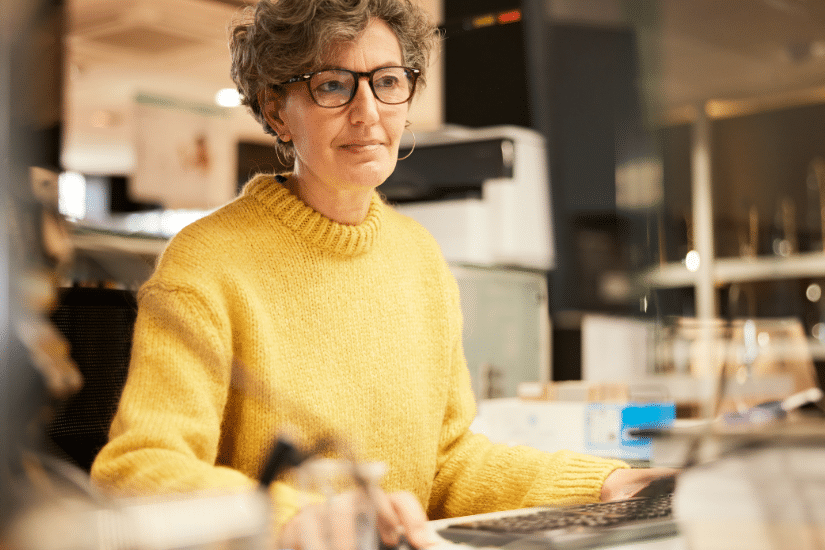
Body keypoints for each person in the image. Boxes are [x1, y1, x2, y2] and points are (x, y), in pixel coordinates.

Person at [90, 0, 674, 548]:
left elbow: (447, 462)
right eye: (333, 85)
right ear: (276, 110)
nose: (367, 114)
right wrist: (295, 517)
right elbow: (138, 470)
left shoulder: (418, 256)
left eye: (389, 82)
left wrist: (602, 485)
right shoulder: (207, 262)